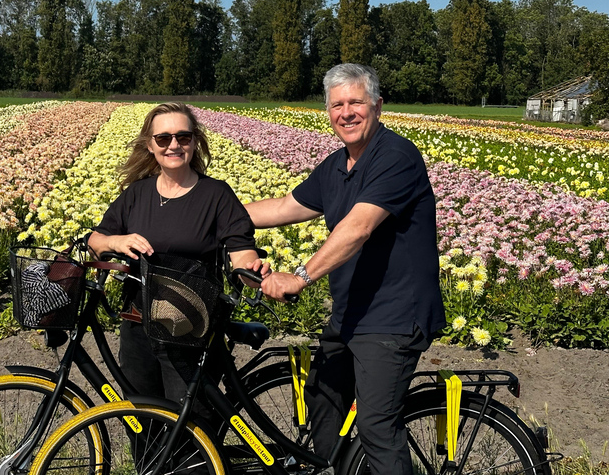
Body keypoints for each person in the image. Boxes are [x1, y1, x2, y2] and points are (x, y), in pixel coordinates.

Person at [246, 64, 445, 475]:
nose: (346, 112)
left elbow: (357, 228)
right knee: (323, 397)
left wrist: (299, 276)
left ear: (377, 106)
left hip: (393, 317)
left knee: (376, 424)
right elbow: (286, 207)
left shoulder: (395, 157)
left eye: (356, 102)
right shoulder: (338, 165)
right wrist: (215, 219)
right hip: (351, 312)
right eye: (337, 104)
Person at [86, 102, 268, 413]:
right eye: (164, 138)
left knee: (191, 428)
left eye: (183, 137)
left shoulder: (216, 196)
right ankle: (149, 465)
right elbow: (96, 240)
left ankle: (202, 464)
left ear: (195, 142)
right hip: (138, 325)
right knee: (141, 420)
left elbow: (240, 248)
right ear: (150, 144)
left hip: (190, 328)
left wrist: (250, 268)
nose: (174, 145)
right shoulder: (136, 194)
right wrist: (117, 240)